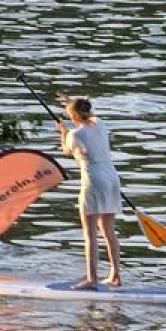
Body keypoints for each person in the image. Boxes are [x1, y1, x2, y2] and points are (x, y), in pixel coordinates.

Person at [56, 96, 124, 289]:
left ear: (74, 115)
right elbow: (89, 117)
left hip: (94, 182)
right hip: (112, 180)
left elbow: (67, 152)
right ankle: (116, 275)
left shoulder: (74, 135)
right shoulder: (101, 125)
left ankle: (92, 279)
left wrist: (63, 132)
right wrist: (72, 102)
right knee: (109, 230)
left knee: (90, 234)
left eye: (69, 114)